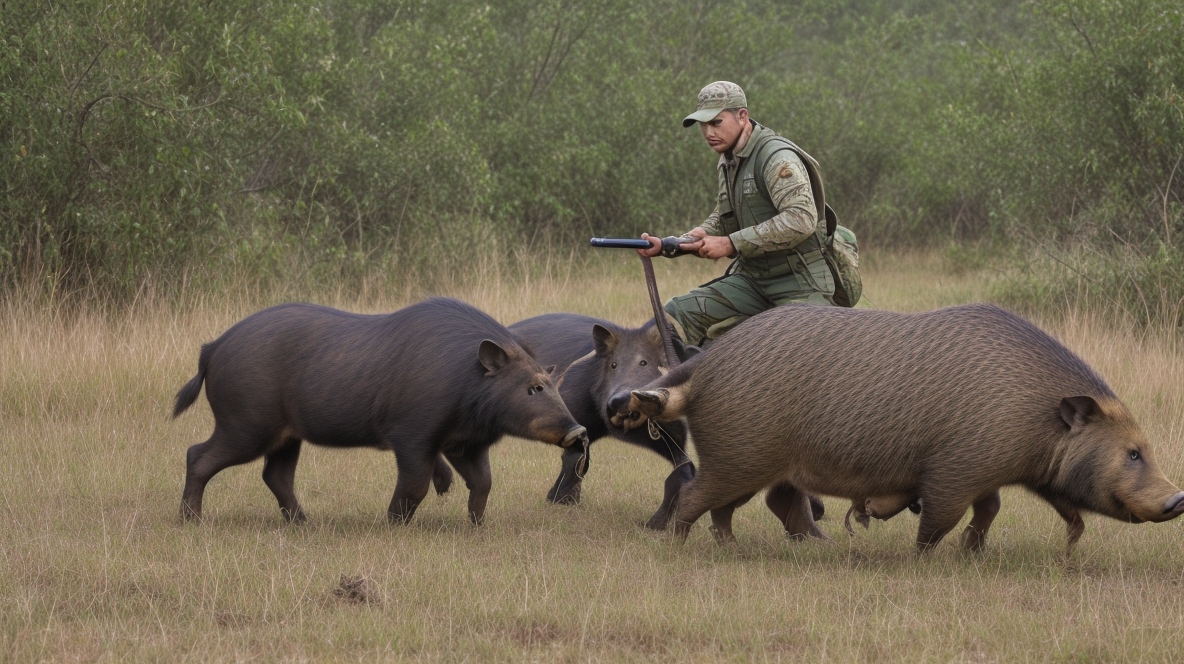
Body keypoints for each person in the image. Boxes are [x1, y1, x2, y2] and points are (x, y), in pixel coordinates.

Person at [639, 80, 836, 348]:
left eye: (716, 122)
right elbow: (724, 216)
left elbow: (801, 219)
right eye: (703, 125)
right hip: (752, 280)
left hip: (800, 281)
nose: (709, 132)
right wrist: (678, 243)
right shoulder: (729, 158)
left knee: (787, 350)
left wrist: (731, 243)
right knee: (672, 318)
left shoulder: (776, 157)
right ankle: (677, 387)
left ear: (742, 116)